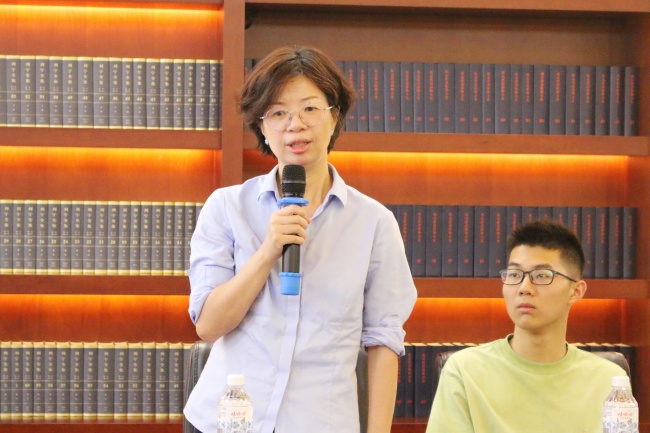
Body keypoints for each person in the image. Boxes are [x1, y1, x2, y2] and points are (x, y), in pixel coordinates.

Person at [183, 46, 417, 433]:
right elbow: (208, 325)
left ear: (334, 116)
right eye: (278, 113)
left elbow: (383, 341)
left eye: (310, 108)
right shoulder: (226, 207)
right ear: (261, 127)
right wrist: (267, 252)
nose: (295, 125)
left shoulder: (374, 222)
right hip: (228, 422)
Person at [426, 219, 628, 433]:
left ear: (576, 291)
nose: (524, 288)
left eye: (541, 276)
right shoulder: (464, 370)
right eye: (514, 274)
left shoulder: (609, 380)